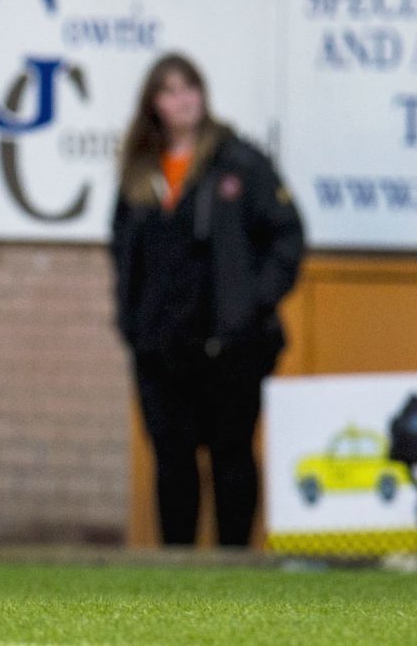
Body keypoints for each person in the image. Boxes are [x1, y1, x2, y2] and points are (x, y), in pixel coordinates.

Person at [110, 53, 304, 547]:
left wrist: (251, 305)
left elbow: (286, 239)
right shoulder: (140, 170)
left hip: (230, 345)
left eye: (190, 87)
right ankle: (177, 567)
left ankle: (235, 562)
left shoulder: (239, 162)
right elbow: (122, 251)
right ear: (153, 103)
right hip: (160, 347)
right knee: (171, 458)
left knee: (231, 454)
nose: (183, 99)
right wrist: (132, 323)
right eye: (171, 90)